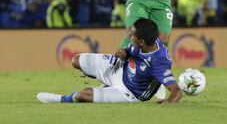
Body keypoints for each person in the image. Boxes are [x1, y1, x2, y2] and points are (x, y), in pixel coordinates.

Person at [36, 18, 182, 104]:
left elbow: (176, 92)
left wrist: (167, 104)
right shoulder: (149, 38)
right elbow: (131, 50)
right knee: (76, 60)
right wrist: (124, 52)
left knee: (83, 95)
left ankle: (61, 99)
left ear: (142, 42)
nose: (129, 35)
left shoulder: (158, 62)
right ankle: (107, 85)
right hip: (120, 67)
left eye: (132, 35)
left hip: (128, 92)